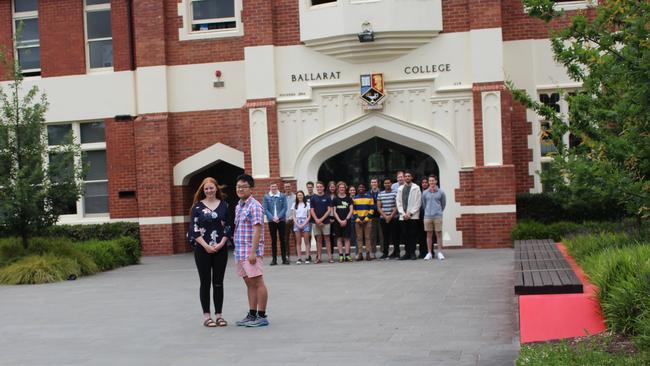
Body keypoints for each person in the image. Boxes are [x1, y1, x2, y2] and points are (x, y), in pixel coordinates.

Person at [187, 177, 230, 327]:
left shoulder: (224, 205)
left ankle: (219, 315)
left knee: (218, 283)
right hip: (202, 249)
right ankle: (207, 317)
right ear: (203, 190)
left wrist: (222, 243)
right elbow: (194, 230)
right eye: (206, 188)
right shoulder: (196, 208)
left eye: (211, 188)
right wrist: (206, 246)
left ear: (216, 188)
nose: (209, 190)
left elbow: (229, 227)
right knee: (205, 283)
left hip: (220, 248)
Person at [233, 174, 269, 327]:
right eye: (238, 186)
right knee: (249, 283)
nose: (240, 189)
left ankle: (261, 316)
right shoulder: (239, 206)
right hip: (240, 252)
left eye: (244, 186)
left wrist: (253, 252)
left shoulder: (255, 206)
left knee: (258, 282)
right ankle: (252, 314)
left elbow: (257, 230)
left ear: (251, 189)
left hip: (250, 251)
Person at [395, 171, 421, 260]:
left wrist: (410, 213)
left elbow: (418, 203)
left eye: (409, 176)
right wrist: (403, 213)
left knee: (412, 235)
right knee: (405, 235)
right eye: (405, 176)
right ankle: (407, 253)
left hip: (413, 216)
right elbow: (398, 202)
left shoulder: (416, 188)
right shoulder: (400, 189)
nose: (407, 177)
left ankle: (413, 253)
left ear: (412, 177)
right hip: (403, 216)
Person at [421, 175, 446, 261]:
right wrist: (428, 211)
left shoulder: (441, 192)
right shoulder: (425, 193)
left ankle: (439, 252)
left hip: (437, 216)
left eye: (433, 181)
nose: (431, 182)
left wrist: (438, 211)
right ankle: (429, 253)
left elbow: (443, 204)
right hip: (427, 216)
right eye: (430, 181)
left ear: (436, 181)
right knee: (429, 235)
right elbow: (424, 204)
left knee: (438, 234)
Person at [262, 182, 288, 265]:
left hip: (281, 220)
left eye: (275, 186)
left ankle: (284, 259)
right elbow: (265, 209)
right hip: (271, 221)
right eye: (272, 186)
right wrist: (272, 218)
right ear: (270, 187)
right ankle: (274, 259)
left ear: (277, 187)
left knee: (282, 239)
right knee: (273, 240)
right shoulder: (266, 197)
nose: (273, 188)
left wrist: (278, 217)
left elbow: (285, 208)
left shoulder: (282, 196)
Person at [309, 181, 333, 263]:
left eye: (320, 187)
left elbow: (329, 210)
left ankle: (330, 257)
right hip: (315, 222)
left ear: (323, 187)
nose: (319, 188)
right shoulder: (313, 198)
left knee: (327, 239)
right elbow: (311, 210)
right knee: (318, 240)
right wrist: (316, 220)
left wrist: (321, 219)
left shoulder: (327, 197)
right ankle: (319, 258)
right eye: (318, 187)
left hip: (325, 222)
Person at [377, 177, 398, 259]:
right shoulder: (380, 194)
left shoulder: (395, 193)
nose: (387, 184)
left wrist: (391, 216)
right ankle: (385, 253)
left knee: (395, 236)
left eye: (388, 183)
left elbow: (397, 205)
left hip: (394, 218)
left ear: (391, 184)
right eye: (385, 183)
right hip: (383, 218)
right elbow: (378, 207)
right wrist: (386, 216)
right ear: (383, 184)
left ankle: (396, 253)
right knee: (385, 237)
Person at [332, 181, 354, 262]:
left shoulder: (349, 199)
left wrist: (346, 220)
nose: (342, 189)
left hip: (347, 221)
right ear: (338, 189)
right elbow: (334, 211)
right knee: (339, 238)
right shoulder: (335, 199)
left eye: (343, 188)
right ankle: (341, 255)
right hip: (338, 222)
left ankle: (347, 255)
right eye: (340, 188)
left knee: (347, 238)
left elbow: (351, 210)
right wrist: (340, 221)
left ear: (345, 189)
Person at [353, 183, 375, 261]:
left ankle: (368, 254)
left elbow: (372, 209)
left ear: (365, 189)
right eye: (359, 187)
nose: (361, 188)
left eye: (362, 187)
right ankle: (360, 254)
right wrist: (358, 219)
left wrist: (366, 219)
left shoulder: (370, 197)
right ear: (357, 189)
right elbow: (353, 210)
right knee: (359, 238)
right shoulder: (354, 198)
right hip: (358, 221)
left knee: (368, 237)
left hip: (367, 221)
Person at [292, 190, 311, 264]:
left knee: (306, 241)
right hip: (297, 222)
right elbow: (293, 215)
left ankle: (307, 257)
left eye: (301, 195)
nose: (300, 196)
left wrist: (304, 223)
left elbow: (309, 215)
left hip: (305, 221)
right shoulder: (294, 204)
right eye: (298, 195)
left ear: (303, 196)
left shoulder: (307, 204)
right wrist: (297, 223)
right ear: (297, 196)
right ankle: (299, 258)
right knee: (298, 242)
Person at [369, 178, 383, 257]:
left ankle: (382, 251)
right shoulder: (368, 193)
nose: (373, 183)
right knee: (372, 235)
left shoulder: (381, 192)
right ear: (370, 184)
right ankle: (373, 252)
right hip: (372, 217)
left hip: (381, 216)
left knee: (382, 235)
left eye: (375, 182)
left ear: (377, 183)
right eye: (372, 182)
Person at [417, 177, 430, 258]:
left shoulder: (430, 191)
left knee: (429, 234)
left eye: (426, 182)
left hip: (429, 214)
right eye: (423, 182)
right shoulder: (418, 192)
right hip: (420, 214)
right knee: (421, 234)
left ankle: (430, 251)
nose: (424, 184)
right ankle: (422, 252)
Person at [283, 182, 296, 261]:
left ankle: (299, 256)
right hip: (284, 220)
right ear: (284, 188)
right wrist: (284, 218)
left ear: (291, 187)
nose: (287, 188)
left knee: (296, 238)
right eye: (286, 187)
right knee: (286, 239)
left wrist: (291, 217)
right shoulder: (282, 197)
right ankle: (287, 256)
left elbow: (296, 208)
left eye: (288, 186)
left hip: (294, 220)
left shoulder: (295, 197)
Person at [348, 185, 358, 252]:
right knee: (350, 236)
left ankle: (357, 252)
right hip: (349, 219)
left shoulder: (358, 198)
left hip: (357, 219)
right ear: (349, 191)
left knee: (357, 236)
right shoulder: (346, 199)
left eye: (353, 190)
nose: (352, 191)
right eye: (351, 190)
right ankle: (348, 253)